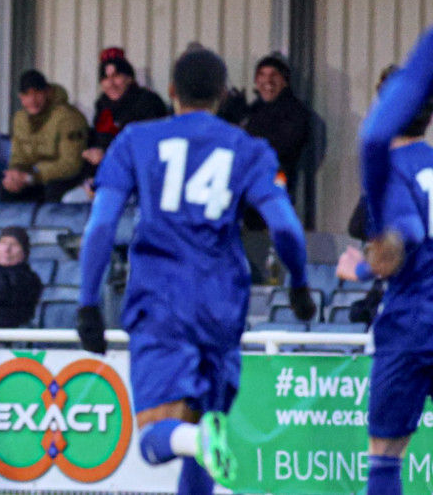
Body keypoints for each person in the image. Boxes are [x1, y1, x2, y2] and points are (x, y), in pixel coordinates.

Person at [75, 49, 315, 493]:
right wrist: (299, 285)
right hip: (223, 306)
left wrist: (88, 303)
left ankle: (193, 438)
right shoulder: (249, 148)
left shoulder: (135, 140)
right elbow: (285, 225)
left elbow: (103, 224)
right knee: (207, 430)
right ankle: (198, 438)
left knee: (157, 436)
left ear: (171, 92)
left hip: (161, 300)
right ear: (224, 96)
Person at [337, 26, 433, 495]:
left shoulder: (389, 171)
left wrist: (355, 268)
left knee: (384, 457)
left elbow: (400, 243)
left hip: (411, 321)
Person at [1, 69, 89, 202]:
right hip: (32, 177)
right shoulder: (20, 119)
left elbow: (71, 164)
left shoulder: (68, 117)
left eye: (37, 93)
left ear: (48, 92)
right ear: (21, 97)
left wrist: (32, 175)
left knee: (52, 190)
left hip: (64, 178)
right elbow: (18, 156)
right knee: (5, 189)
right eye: (26, 95)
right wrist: (15, 174)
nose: (32, 100)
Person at [243, 54, 313, 191]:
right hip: (247, 186)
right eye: (262, 75)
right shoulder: (252, 109)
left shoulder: (295, 112)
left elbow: (283, 148)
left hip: (277, 182)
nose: (268, 81)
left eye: (274, 75)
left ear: (285, 81)